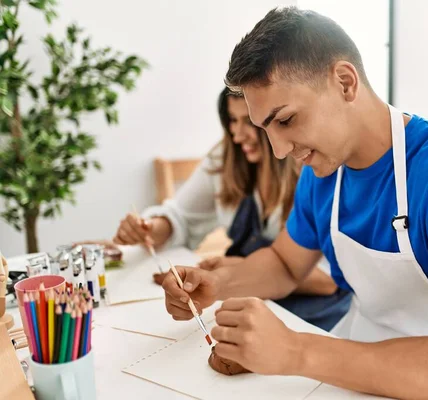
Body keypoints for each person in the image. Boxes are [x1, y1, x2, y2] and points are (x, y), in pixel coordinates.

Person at [162, 7, 428, 400]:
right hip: (358, 378)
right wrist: (219, 284)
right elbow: (286, 264)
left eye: (285, 121)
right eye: (265, 129)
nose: (280, 150)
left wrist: (296, 350)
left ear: (344, 82)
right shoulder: (323, 173)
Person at [113, 87, 351, 331]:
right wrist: (151, 228)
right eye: (232, 121)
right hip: (254, 299)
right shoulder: (224, 160)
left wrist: (238, 268)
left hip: (316, 314)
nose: (237, 135)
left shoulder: (312, 171)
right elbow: (182, 216)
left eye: (249, 122)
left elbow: (325, 280)